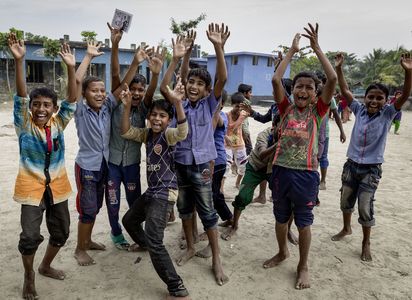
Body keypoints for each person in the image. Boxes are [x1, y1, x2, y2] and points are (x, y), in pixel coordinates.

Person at [264, 24, 337, 290]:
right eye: (298, 86)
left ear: (316, 93)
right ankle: (283, 251)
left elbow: (332, 80)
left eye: (308, 87)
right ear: (292, 89)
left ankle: (302, 265)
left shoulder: (318, 111)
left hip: (306, 175)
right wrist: (292, 52)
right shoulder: (285, 109)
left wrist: (316, 48)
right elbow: (275, 80)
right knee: (281, 219)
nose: (303, 91)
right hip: (281, 171)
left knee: (304, 223)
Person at [160, 23, 229, 286]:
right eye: (191, 81)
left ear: (207, 90)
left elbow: (221, 79)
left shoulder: (211, 104)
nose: (194, 86)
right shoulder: (179, 103)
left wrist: (217, 47)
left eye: (200, 84)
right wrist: (179, 57)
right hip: (180, 163)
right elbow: (167, 85)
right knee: (185, 209)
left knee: (208, 212)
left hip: (202, 165)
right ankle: (190, 246)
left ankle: (216, 259)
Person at [9, 33, 77, 299]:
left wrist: (71, 68)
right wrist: (20, 60)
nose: (40, 109)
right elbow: (21, 97)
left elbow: (72, 101)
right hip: (31, 189)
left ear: (53, 109)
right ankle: (29, 275)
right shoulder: (24, 125)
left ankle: (46, 265)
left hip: (57, 187)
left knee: (61, 232)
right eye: (36, 105)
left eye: (46, 105)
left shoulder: (58, 124)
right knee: (29, 236)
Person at [73, 39, 150, 266]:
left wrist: (135, 62)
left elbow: (123, 85)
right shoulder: (80, 110)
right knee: (88, 209)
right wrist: (87, 57)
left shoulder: (107, 106)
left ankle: (87, 243)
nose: (99, 94)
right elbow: (76, 81)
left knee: (95, 207)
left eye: (102, 91)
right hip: (87, 166)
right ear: (84, 94)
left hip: (104, 166)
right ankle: (80, 249)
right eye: (93, 91)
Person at [331, 52, 412, 261]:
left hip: (371, 169)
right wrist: (339, 68)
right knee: (345, 200)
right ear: (364, 98)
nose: (374, 101)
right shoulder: (359, 110)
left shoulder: (387, 115)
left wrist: (408, 72)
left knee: (365, 206)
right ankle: (346, 228)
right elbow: (346, 91)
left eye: (379, 98)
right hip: (351, 165)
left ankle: (366, 241)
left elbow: (403, 97)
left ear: (386, 101)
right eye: (371, 97)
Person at [121, 79, 190, 299]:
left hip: (165, 191)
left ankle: (176, 286)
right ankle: (145, 245)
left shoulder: (169, 135)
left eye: (162, 116)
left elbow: (182, 132)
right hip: (152, 192)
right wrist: (126, 107)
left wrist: (178, 104)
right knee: (129, 220)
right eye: (154, 115)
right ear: (148, 117)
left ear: (168, 120)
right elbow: (125, 131)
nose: (157, 119)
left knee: (155, 239)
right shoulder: (146, 134)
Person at [105, 23, 165, 250]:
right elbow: (114, 73)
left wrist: (156, 73)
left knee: (134, 201)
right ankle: (116, 234)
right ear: (125, 90)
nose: (137, 93)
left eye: (141, 89)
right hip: (111, 163)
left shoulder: (144, 108)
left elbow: (150, 92)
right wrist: (116, 45)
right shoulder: (116, 102)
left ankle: (138, 236)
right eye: (133, 89)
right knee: (112, 201)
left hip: (131, 164)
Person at [315, 72, 346, 191]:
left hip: (324, 134)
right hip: (310, 132)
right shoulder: (310, 97)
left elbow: (337, 115)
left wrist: (341, 131)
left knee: (322, 157)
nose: (318, 86)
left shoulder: (329, 99)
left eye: (320, 83)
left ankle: (323, 180)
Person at [224, 92, 249, 189]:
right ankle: (221, 189)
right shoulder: (226, 115)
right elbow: (230, 129)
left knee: (243, 166)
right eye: (236, 106)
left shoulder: (243, 114)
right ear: (232, 104)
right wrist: (241, 118)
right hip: (227, 144)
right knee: (226, 166)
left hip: (239, 144)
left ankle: (237, 183)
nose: (238, 109)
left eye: (240, 107)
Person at [237, 83, 253, 155]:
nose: (251, 94)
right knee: (248, 149)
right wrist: (244, 133)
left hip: (240, 130)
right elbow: (242, 119)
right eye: (250, 92)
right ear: (244, 93)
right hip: (244, 131)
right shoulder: (245, 103)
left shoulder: (238, 102)